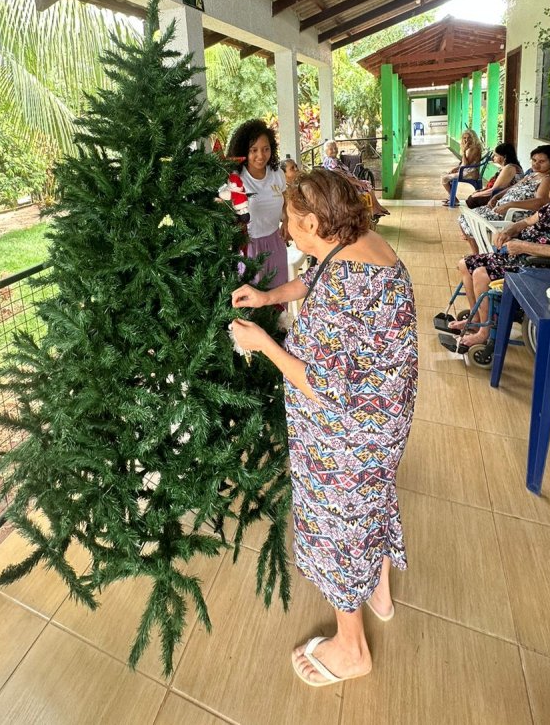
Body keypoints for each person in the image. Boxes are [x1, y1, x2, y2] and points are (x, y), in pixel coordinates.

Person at [230, 170, 417, 687]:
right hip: (384, 420)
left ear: (314, 221)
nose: (288, 232)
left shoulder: (342, 289)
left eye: (292, 223)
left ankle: (352, 647)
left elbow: (323, 386)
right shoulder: (363, 244)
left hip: (347, 433)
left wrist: (264, 345)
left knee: (339, 522)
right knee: (372, 500)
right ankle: (377, 585)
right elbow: (313, 277)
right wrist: (268, 299)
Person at [453, 169, 550, 350]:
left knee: (481, 273)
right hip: (524, 259)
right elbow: (527, 222)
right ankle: (477, 319)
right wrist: (509, 231)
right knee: (465, 264)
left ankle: (484, 332)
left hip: (549, 269)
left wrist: (523, 246)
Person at [458, 144, 550, 253]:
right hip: (502, 208)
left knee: (469, 221)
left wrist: (510, 204)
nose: (536, 164)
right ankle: (476, 253)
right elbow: (512, 187)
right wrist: (497, 197)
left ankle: (479, 253)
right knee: (463, 218)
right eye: (534, 160)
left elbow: (540, 202)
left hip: (516, 214)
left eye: (541, 162)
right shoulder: (532, 175)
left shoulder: (548, 179)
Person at [223, 119, 288, 288]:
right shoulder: (236, 179)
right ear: (244, 151)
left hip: (276, 242)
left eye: (266, 149)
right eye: (254, 150)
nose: (261, 155)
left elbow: (287, 201)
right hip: (248, 246)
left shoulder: (277, 174)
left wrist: (287, 220)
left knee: (279, 298)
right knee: (253, 302)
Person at [321, 140, 389, 218]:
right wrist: (358, 183)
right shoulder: (332, 162)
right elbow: (344, 177)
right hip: (346, 185)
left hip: (345, 183)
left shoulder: (330, 159)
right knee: (366, 185)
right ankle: (375, 209)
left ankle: (377, 207)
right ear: (326, 151)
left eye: (335, 148)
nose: (334, 150)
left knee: (367, 184)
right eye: (331, 149)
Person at [462, 142, 522, 209]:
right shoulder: (507, 167)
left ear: (504, 157)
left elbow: (495, 190)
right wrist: (481, 191)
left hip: (502, 197)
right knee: (472, 197)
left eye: (496, 155)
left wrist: (478, 194)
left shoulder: (509, 168)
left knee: (472, 200)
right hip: (498, 194)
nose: (493, 157)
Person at [441, 129, 482, 205]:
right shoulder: (470, 148)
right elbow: (464, 163)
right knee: (445, 174)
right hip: (466, 171)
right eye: (464, 138)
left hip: (469, 174)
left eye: (469, 138)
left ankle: (454, 199)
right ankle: (452, 197)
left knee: (444, 178)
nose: (466, 140)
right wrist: (457, 168)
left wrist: (463, 151)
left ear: (473, 138)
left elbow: (466, 165)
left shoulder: (474, 149)